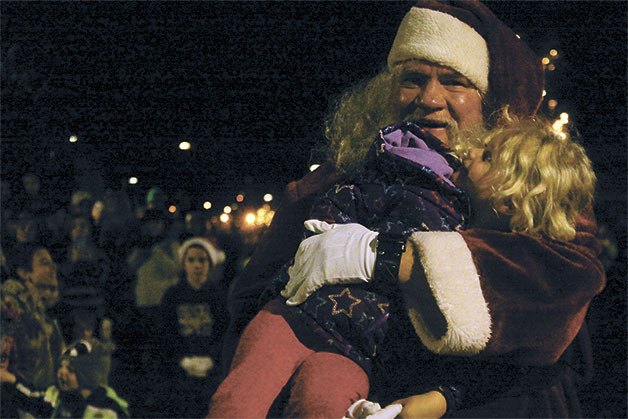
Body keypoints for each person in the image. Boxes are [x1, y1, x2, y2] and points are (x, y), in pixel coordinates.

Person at [224, 1, 606, 417]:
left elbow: (558, 301)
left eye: (455, 82)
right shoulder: (334, 180)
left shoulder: (530, 182)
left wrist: (387, 256)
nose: (429, 98)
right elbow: (249, 303)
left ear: (489, 99)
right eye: (413, 79)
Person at [211, 112, 597, 417]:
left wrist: (440, 398)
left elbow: (512, 365)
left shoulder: (537, 259)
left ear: (514, 196)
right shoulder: (421, 189)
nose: (469, 153)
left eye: (489, 156)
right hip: (314, 329)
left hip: (369, 358)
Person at [160, 237, 227, 418]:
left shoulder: (218, 296)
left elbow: (224, 332)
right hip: (180, 372)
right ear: (184, 264)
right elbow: (165, 333)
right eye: (191, 260)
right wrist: (181, 360)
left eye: (202, 260)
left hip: (211, 371)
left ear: (210, 264)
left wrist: (211, 360)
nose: (197, 265)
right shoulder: (172, 295)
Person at [0, 243, 66, 416]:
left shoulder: (44, 316)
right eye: (44, 263)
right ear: (24, 273)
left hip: (40, 405)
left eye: (52, 262)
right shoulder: (11, 307)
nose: (53, 268)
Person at [1, 338, 128, 418]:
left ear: (87, 376)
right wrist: (11, 379)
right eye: (61, 366)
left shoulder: (109, 411)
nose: (61, 373)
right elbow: (33, 399)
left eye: (70, 370)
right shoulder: (58, 397)